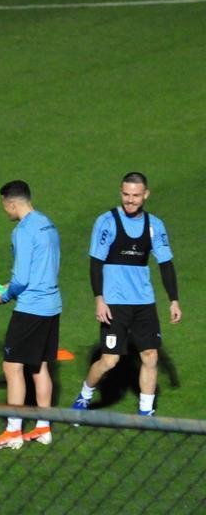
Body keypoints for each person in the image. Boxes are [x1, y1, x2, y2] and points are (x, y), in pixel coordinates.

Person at [72, 172, 181, 416]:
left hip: (143, 302)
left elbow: (165, 264)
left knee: (151, 356)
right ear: (121, 192)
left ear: (146, 195)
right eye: (125, 194)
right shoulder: (106, 222)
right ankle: (85, 394)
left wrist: (173, 299)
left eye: (135, 195)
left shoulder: (155, 225)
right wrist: (99, 298)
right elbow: (95, 262)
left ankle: (145, 412)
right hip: (115, 303)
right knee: (110, 361)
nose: (130, 200)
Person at [0, 180, 62, 450]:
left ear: (12, 203)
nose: (5, 211)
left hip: (31, 308)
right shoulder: (47, 224)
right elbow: (43, 269)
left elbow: (22, 277)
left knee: (12, 366)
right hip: (52, 305)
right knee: (39, 366)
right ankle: (43, 427)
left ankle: (13, 431)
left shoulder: (23, 231)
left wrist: (3, 295)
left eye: (5, 206)